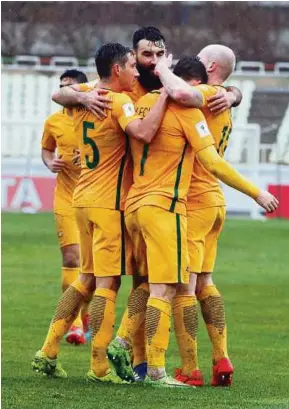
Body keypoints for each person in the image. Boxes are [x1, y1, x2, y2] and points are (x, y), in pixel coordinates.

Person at [109, 56, 278, 387]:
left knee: (173, 284)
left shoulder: (157, 101)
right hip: (193, 202)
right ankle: (202, 360)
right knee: (187, 284)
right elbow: (212, 159)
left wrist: (164, 73)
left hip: (151, 203)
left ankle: (180, 364)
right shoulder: (207, 102)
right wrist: (256, 193)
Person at [32, 42, 168, 384]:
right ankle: (99, 368)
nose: (137, 71)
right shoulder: (120, 101)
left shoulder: (86, 96)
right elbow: (143, 132)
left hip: (81, 198)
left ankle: (48, 350)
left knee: (87, 279)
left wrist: (80, 96)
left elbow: (62, 95)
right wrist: (164, 95)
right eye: (132, 66)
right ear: (118, 69)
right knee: (108, 283)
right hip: (108, 203)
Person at [41, 69, 90, 345]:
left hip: (96, 200)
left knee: (92, 267)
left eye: (69, 86)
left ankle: (84, 316)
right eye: (61, 87)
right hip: (66, 199)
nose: (63, 91)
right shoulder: (53, 122)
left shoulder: (96, 117)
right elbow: (47, 150)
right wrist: (50, 163)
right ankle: (72, 323)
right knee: (72, 259)